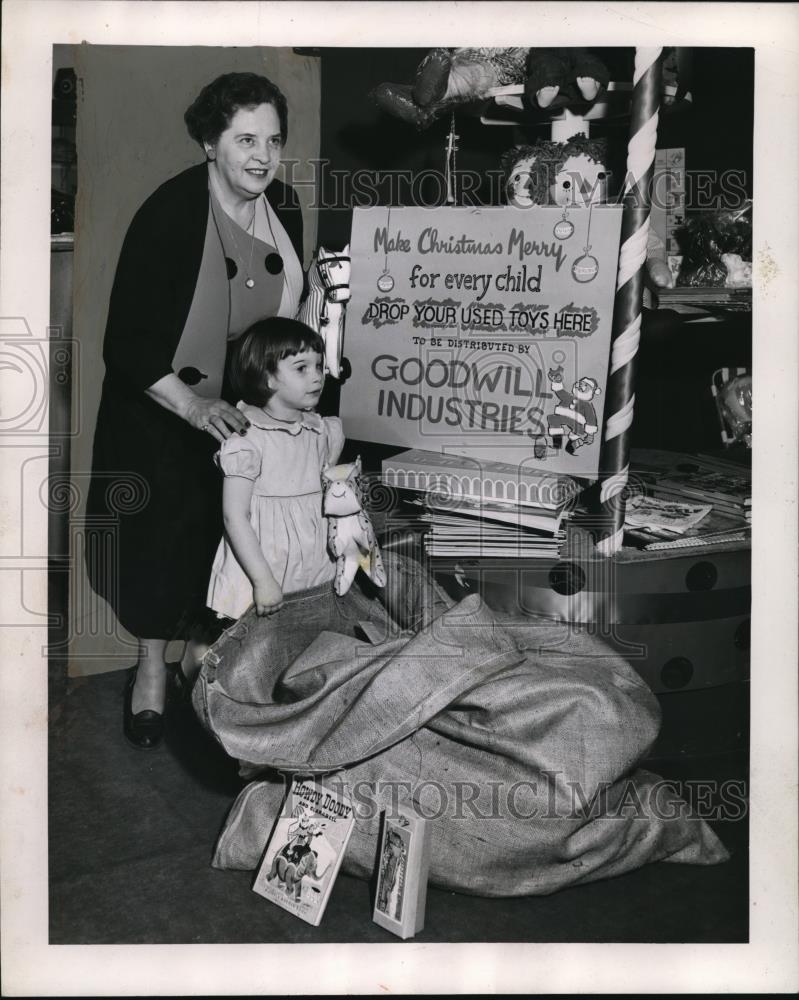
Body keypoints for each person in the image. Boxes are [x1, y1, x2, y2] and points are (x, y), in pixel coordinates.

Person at [86, 72, 306, 749]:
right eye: (244, 139)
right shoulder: (171, 210)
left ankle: (201, 661)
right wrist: (193, 408)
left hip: (242, 411)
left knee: (224, 538)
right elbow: (124, 340)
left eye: (271, 140)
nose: (261, 156)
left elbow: (288, 315)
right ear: (209, 142)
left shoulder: (286, 206)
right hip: (161, 407)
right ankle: (151, 667)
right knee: (158, 542)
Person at [206, 317, 343, 622]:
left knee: (300, 635)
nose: (317, 377)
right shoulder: (248, 437)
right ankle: (198, 664)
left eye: (319, 366)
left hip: (311, 559)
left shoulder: (320, 430)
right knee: (244, 642)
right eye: (301, 368)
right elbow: (234, 516)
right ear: (268, 379)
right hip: (264, 560)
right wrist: (262, 580)